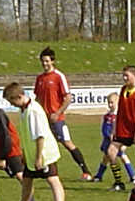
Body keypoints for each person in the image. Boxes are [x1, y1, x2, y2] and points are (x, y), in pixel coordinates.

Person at [1, 82, 68, 201]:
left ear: (19, 97)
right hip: (32, 155)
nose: (11, 104)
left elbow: (40, 136)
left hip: (44, 154)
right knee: (27, 180)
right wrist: (26, 154)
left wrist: (38, 157)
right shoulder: (24, 110)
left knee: (53, 180)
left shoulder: (34, 111)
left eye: (12, 101)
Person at [34, 46, 92, 181]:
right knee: (43, 144)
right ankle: (48, 172)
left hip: (57, 119)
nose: (45, 64)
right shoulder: (40, 78)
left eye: (47, 61)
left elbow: (68, 97)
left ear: (53, 61)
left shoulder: (59, 76)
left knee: (67, 143)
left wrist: (58, 112)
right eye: (43, 61)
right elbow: (38, 98)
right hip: (44, 119)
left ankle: (86, 171)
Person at [93, 91, 135, 190]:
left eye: (112, 102)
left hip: (116, 142)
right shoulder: (107, 116)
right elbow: (104, 128)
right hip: (107, 141)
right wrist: (104, 139)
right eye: (109, 102)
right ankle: (99, 176)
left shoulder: (119, 116)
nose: (110, 105)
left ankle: (132, 176)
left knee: (123, 157)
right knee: (105, 158)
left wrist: (123, 142)